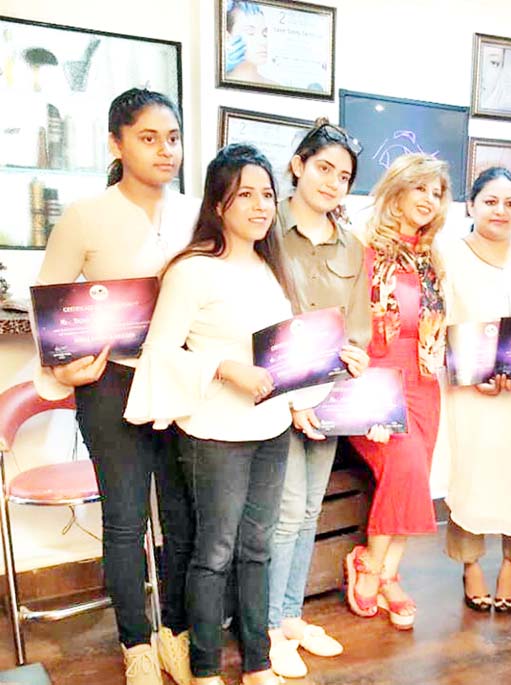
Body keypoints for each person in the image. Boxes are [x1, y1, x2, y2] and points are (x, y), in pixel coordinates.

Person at [125, 144, 311, 685]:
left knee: (257, 547)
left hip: (271, 425)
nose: (260, 205)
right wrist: (227, 367)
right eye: (246, 193)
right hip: (214, 432)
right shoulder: (191, 270)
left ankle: (256, 664)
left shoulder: (274, 267)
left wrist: (320, 372)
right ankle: (205, 669)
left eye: (268, 194)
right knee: (215, 552)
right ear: (219, 200)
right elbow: (159, 354)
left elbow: (284, 350)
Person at [33, 88, 196, 685]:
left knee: (182, 518)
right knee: (126, 521)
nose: (165, 151)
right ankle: (136, 644)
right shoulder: (86, 215)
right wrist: (62, 369)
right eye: (149, 138)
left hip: (179, 382)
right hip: (110, 386)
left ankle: (175, 632)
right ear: (116, 143)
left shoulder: (194, 212)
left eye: (173, 138)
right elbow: (50, 304)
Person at [264, 119, 370, 678]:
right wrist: (292, 394)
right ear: (298, 165)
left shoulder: (353, 245)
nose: (333, 181)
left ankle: (290, 618)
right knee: (282, 515)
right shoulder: (264, 227)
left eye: (345, 175)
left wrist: (356, 356)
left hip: (326, 395)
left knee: (307, 511)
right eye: (324, 167)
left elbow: (357, 330)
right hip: (274, 394)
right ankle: (266, 630)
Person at [344, 153, 450, 630]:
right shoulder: (361, 249)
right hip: (374, 378)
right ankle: (368, 564)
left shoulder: (432, 259)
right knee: (405, 463)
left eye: (438, 192)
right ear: (398, 191)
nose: (429, 200)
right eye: (421, 189)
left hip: (424, 380)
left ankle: (387, 572)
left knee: (415, 475)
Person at [441, 167, 511, 614]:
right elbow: (441, 326)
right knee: (471, 479)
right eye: (490, 201)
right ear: (471, 206)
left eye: (509, 202)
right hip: (471, 393)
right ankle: (470, 565)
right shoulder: (448, 257)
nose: (500, 211)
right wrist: (474, 371)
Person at [225, 0, 277, 85]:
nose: (263, 41)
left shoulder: (275, 86)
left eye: (264, 34)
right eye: (250, 33)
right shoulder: (211, 84)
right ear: (227, 37)